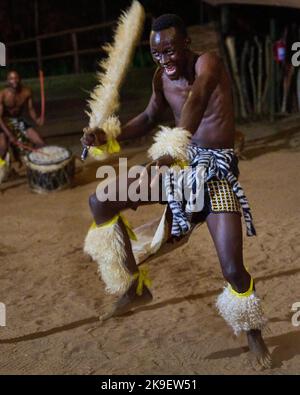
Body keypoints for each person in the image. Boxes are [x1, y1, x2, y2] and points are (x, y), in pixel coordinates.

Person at [82, 14, 271, 368]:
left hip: (214, 172)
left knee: (233, 269)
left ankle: (254, 334)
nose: (164, 60)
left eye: (169, 50)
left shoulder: (207, 63)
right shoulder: (161, 78)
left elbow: (197, 101)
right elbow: (149, 116)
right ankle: (134, 286)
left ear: (185, 44)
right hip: (179, 164)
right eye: (156, 54)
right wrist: (107, 135)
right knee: (101, 201)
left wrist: (173, 146)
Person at [0, 70, 45, 177]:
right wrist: (10, 135)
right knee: (2, 148)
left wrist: (37, 119)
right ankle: (3, 170)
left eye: (16, 78)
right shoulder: (2, 94)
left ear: (19, 79)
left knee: (39, 142)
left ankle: (41, 170)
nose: (14, 81)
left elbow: (31, 109)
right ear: (7, 81)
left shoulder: (26, 92)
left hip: (18, 120)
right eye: (11, 78)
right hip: (3, 122)